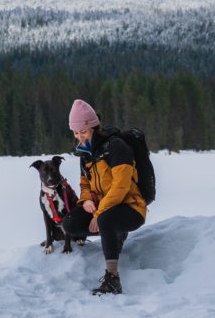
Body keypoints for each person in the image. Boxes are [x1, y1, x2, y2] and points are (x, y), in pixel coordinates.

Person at [62, 99, 146, 295]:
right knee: (70, 223)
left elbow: (121, 186)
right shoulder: (85, 153)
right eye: (76, 133)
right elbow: (84, 183)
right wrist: (87, 200)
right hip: (102, 208)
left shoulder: (116, 147)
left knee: (106, 219)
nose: (80, 137)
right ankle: (114, 235)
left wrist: (99, 212)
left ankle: (112, 279)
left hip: (130, 207)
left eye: (83, 132)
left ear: (93, 127)